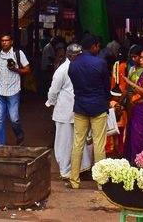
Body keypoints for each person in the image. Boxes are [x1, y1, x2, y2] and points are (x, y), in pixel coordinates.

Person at [67, 34, 109, 190]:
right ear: (94, 46)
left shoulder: (73, 64)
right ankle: (101, 182)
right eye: (98, 46)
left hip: (80, 107)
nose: (98, 49)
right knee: (99, 145)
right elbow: (106, 87)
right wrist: (106, 99)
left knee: (77, 144)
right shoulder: (100, 63)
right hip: (98, 106)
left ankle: (74, 180)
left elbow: (75, 85)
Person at [46, 43, 93, 182]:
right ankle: (66, 170)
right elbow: (53, 91)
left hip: (78, 109)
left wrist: (51, 102)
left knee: (79, 140)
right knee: (65, 141)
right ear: (69, 55)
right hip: (66, 111)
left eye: (80, 54)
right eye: (76, 54)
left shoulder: (79, 67)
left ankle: (81, 168)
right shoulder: (62, 70)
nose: (78, 56)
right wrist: (51, 102)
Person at [0, 33, 28, 145]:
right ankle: (1, 145)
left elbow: (27, 69)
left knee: (14, 118)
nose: (4, 42)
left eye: (6, 40)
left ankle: (19, 134)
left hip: (13, 90)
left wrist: (16, 70)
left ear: (11, 42)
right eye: (2, 40)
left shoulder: (18, 53)